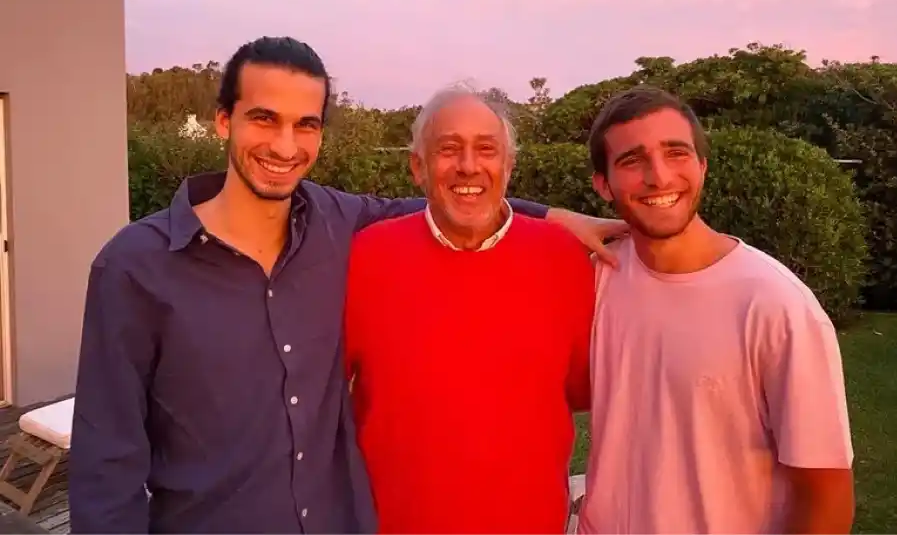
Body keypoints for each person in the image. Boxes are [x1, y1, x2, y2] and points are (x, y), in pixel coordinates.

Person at [68, 36, 627, 534]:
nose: (285, 146)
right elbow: (106, 461)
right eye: (264, 118)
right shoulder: (135, 266)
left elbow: (459, 200)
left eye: (305, 124)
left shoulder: (339, 225)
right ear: (223, 121)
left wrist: (554, 218)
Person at [576, 85, 856, 534]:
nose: (659, 177)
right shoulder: (598, 278)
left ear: (702, 167)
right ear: (603, 185)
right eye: (632, 160)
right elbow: (475, 215)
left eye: (676, 153)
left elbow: (825, 493)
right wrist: (553, 217)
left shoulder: (774, 304)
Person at [344, 85, 597, 534]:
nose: (468, 165)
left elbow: (580, 389)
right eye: (448, 149)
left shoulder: (563, 258)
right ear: (417, 167)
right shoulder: (367, 256)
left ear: (508, 165)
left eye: (486, 149)